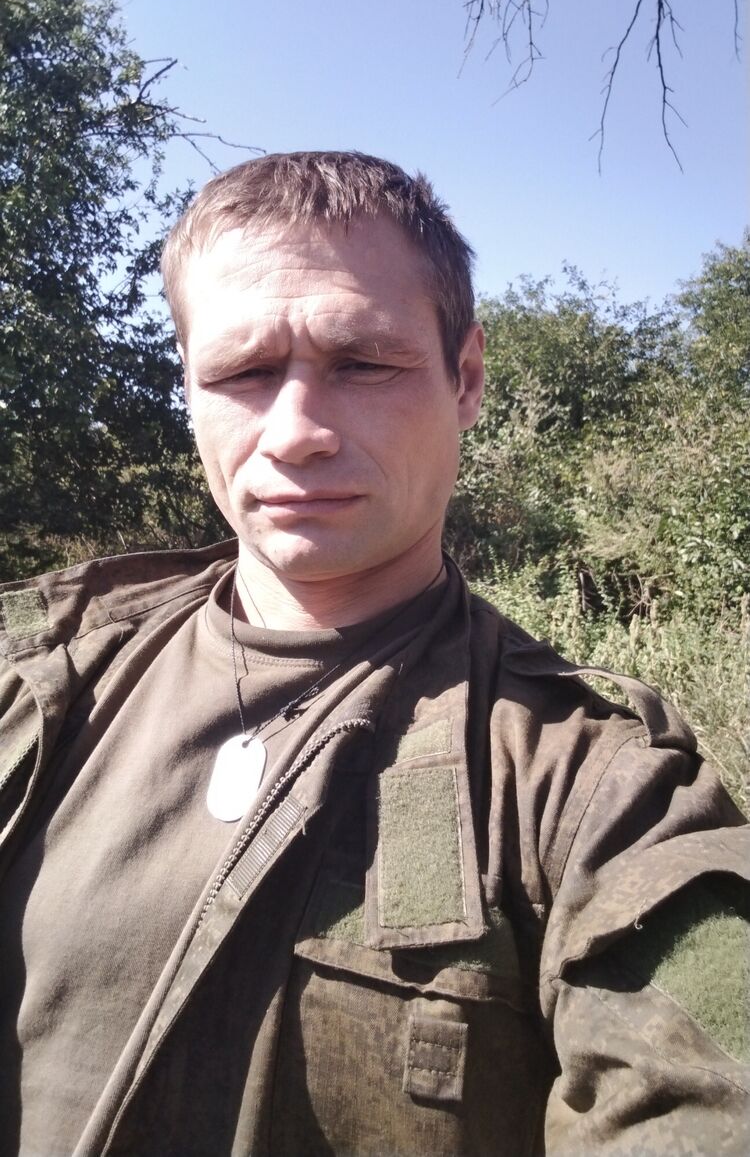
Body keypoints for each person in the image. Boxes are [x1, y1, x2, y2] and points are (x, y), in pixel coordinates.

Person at [0, 150, 747, 1156]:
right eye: (242, 373)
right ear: (189, 387)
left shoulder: (592, 785)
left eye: (362, 363)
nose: (297, 432)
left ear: (465, 378)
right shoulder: (41, 677)